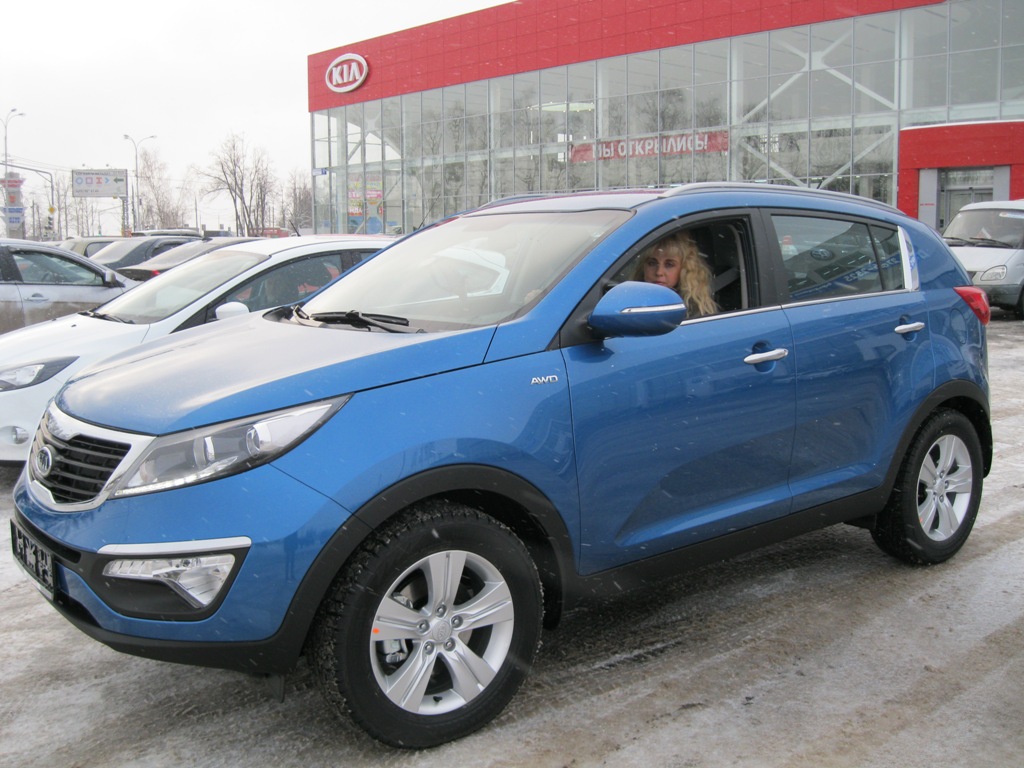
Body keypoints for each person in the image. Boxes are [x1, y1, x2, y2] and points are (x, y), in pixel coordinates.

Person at [632, 230, 718, 318]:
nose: (659, 272)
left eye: (669, 265)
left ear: (684, 269)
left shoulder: (694, 312)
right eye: (652, 263)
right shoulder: (630, 300)